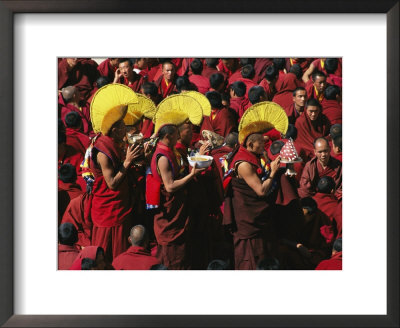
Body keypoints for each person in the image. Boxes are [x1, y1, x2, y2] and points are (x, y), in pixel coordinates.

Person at [89, 102, 144, 261]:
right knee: (109, 251)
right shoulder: (103, 151)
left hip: (120, 204)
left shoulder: (113, 142)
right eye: (123, 128)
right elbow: (111, 183)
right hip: (109, 210)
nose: (126, 131)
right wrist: (127, 162)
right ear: (114, 130)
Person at [149, 123, 205, 269]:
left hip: (178, 205)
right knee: (172, 253)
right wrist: (192, 175)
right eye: (176, 135)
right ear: (167, 137)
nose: (179, 137)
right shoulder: (162, 157)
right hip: (169, 210)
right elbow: (170, 186)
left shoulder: (170, 150)